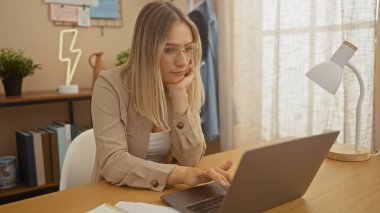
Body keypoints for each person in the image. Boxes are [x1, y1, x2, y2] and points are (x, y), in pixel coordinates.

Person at [91, 1, 232, 192]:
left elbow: (191, 159)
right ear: (146, 50)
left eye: (188, 48)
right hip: (115, 193)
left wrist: (180, 98)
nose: (182, 62)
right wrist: (179, 175)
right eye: (169, 49)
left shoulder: (182, 84)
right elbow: (113, 163)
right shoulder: (109, 85)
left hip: (162, 192)